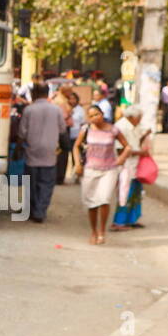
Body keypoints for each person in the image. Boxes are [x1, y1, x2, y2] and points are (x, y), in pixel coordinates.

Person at [72, 104, 131, 245]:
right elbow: (76, 146)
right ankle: (94, 231)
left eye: (96, 114)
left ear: (102, 114)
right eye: (91, 116)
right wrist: (77, 164)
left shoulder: (113, 130)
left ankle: (102, 231)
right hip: (90, 170)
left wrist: (121, 159)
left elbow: (127, 146)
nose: (94, 118)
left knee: (104, 199)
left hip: (109, 170)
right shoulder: (86, 129)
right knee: (92, 203)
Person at [18, 83, 62, 223]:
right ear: (48, 93)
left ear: (34, 93)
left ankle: (31, 210)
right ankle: (40, 211)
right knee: (46, 184)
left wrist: (18, 148)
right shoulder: (56, 110)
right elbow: (62, 130)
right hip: (50, 153)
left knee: (30, 183)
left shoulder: (29, 110)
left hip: (32, 152)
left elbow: (22, 132)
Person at [111, 105, 151, 231]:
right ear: (132, 117)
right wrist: (139, 153)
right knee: (124, 193)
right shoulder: (121, 127)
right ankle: (119, 222)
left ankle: (131, 219)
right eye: (139, 118)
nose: (139, 120)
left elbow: (136, 142)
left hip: (134, 165)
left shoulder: (134, 126)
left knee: (135, 193)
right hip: (125, 165)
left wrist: (144, 136)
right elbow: (120, 149)